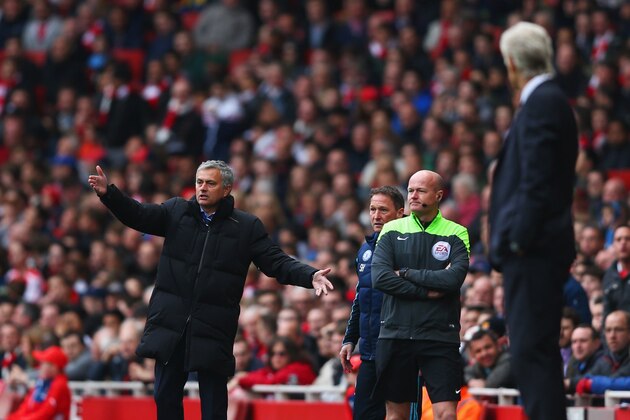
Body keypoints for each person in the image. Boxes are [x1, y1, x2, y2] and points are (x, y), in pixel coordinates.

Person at [88, 160, 333, 420]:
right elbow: (138, 214)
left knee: (214, 405)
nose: (202, 188)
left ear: (227, 189)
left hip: (214, 325)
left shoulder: (246, 227)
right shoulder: (177, 211)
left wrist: (310, 275)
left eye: (210, 183)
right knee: (164, 395)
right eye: (199, 182)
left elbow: (276, 262)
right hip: (172, 323)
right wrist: (109, 194)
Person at [489, 22, 578, 420]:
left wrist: (514, 242)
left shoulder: (543, 101)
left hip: (534, 250)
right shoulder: (547, 100)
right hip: (535, 250)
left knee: (531, 351)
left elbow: (537, 183)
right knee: (531, 350)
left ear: (511, 63)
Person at [372, 170, 470, 420]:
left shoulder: (456, 232)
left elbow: (452, 279)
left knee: (447, 415)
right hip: (396, 332)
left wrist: (403, 272)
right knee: (395, 417)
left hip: (440, 335)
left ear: (438, 195)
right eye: (410, 190)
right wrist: (428, 291)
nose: (412, 196)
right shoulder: (392, 229)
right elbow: (381, 278)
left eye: (420, 191)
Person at [339, 185, 405, 420]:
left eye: (383, 210)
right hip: (369, 351)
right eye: (372, 209)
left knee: (397, 415)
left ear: (400, 212)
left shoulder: (411, 246)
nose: (376, 216)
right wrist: (350, 338)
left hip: (399, 349)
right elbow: (361, 296)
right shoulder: (366, 249)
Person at [7, 346, 71, 420]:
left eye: (43, 363)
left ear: (54, 367)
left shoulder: (60, 384)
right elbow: (26, 407)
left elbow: (46, 413)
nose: (40, 367)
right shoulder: (42, 382)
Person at [564, 324, 603, 393]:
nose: (578, 346)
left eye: (583, 341)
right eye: (574, 342)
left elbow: (591, 378)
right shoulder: (573, 362)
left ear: (596, 343)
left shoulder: (603, 361)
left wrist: (570, 383)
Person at [602, 226, 630, 320]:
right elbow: (606, 312)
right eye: (618, 239)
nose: (623, 243)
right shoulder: (609, 276)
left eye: (628, 239)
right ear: (613, 245)